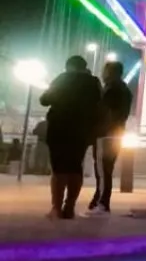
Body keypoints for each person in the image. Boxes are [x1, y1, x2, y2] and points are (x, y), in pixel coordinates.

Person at [39, 55, 102, 219]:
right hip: (82, 130)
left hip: (60, 128)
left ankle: (56, 208)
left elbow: (44, 100)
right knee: (75, 167)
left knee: (59, 168)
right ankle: (70, 207)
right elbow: (99, 105)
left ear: (69, 67)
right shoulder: (93, 82)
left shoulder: (63, 79)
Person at [86, 60, 131, 216]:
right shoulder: (124, 89)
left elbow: (104, 111)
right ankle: (98, 200)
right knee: (106, 169)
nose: (103, 74)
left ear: (110, 72)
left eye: (105, 71)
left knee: (103, 170)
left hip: (106, 134)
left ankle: (103, 204)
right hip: (116, 133)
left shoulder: (112, 89)